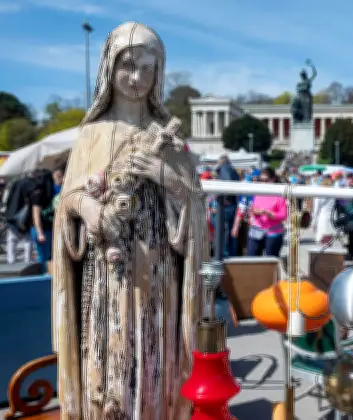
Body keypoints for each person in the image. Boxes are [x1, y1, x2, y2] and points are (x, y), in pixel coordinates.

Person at [51, 22, 207, 418]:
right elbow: (67, 200)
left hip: (157, 280)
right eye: (127, 66)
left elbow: (195, 209)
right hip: (106, 279)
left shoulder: (168, 137)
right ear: (109, 68)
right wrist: (87, 208)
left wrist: (166, 177)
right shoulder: (92, 134)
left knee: (153, 370)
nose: (136, 78)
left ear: (159, 73)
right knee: (110, 369)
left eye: (147, 68)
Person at [246, 168, 287, 257]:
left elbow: (283, 215)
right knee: (250, 258)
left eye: (266, 180)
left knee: (271, 261)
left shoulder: (280, 195)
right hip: (256, 230)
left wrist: (271, 214)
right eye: (261, 180)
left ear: (273, 179)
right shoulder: (257, 192)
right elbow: (251, 209)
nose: (263, 183)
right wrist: (254, 211)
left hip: (273, 233)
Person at [29, 169, 55, 270]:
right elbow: (36, 214)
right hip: (41, 229)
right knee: (43, 257)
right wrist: (40, 233)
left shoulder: (48, 193)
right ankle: (43, 277)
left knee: (48, 256)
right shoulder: (38, 194)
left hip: (48, 228)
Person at [312, 177, 336, 245]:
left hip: (322, 219)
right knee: (329, 241)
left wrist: (314, 222)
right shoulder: (334, 193)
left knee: (323, 241)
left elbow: (316, 209)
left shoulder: (319, 194)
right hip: (332, 218)